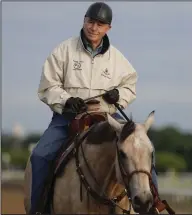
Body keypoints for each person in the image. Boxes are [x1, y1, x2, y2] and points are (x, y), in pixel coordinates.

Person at [29, 2, 158, 214]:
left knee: (142, 149)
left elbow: (129, 85)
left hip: (107, 117)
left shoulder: (117, 59)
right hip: (68, 119)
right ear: (84, 20)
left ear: (108, 28)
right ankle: (38, 209)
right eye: (90, 22)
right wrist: (66, 100)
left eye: (100, 24)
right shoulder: (63, 51)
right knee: (40, 156)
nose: (93, 28)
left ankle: (152, 206)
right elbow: (47, 85)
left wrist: (119, 95)